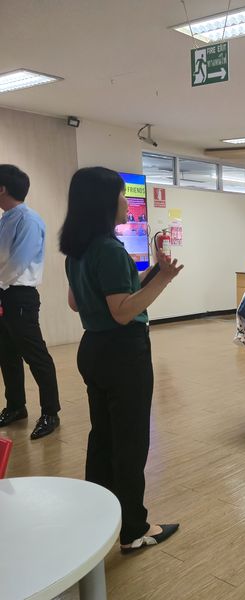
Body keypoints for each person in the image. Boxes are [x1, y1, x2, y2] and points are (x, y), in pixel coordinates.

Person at [60, 167, 182, 553]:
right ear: (104, 202)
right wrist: (163, 280)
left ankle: (98, 518)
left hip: (93, 349)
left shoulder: (78, 249)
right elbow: (123, 312)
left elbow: (77, 302)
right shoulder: (109, 249)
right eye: (120, 194)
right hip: (123, 352)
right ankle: (133, 529)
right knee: (130, 442)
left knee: (103, 437)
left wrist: (154, 272)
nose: (125, 201)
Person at [0, 164, 61, 439]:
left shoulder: (29, 220)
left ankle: (50, 412)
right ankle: (15, 406)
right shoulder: (6, 218)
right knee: (6, 353)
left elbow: (18, 262)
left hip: (19, 295)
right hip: (4, 292)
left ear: (2, 189)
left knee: (35, 355)